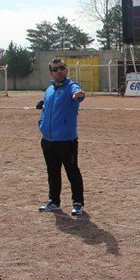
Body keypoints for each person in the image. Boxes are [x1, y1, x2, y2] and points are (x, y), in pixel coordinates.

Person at [37, 58, 87, 215]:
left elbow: (77, 94)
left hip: (66, 140)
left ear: (66, 70)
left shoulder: (72, 86)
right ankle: (54, 201)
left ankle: (78, 203)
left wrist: (78, 95)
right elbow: (47, 108)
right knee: (52, 172)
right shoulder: (49, 90)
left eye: (62, 68)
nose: (59, 71)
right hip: (48, 140)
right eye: (56, 69)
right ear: (51, 73)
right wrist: (41, 122)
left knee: (72, 172)